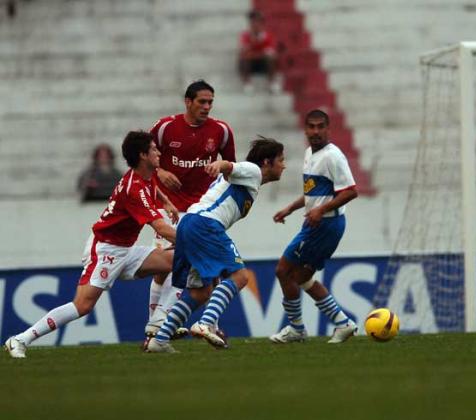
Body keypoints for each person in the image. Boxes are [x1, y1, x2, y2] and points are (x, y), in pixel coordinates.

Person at [4, 131, 179, 358]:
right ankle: (20, 339)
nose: (158, 152)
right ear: (142, 155)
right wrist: (194, 241)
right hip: (105, 249)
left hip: (126, 248)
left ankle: (156, 325)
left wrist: (167, 202)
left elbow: (153, 186)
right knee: (82, 306)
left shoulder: (146, 173)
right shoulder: (133, 188)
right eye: (154, 149)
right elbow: (161, 228)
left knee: (177, 260)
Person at [146, 137, 286, 353]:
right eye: (281, 160)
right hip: (205, 224)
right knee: (240, 277)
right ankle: (206, 323)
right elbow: (229, 167)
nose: (284, 166)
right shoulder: (253, 171)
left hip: (191, 223)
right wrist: (218, 164)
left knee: (200, 292)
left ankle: (160, 340)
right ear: (267, 162)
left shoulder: (249, 179)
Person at [144, 80, 236, 342]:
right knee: (164, 267)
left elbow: (232, 167)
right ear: (188, 102)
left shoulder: (221, 131)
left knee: (208, 267)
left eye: (210, 102)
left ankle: (208, 325)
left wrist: (220, 168)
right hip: (169, 208)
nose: (206, 107)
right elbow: (144, 160)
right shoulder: (164, 128)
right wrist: (161, 171)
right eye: (201, 102)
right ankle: (154, 325)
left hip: (203, 211)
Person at [269, 109, 359, 344]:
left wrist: (320, 210)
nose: (316, 131)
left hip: (326, 225)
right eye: (311, 126)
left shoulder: (333, 157)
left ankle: (297, 328)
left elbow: (351, 191)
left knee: (283, 271)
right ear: (305, 129)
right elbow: (314, 193)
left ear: (328, 129)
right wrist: (291, 208)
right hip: (316, 223)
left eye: (320, 127)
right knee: (301, 276)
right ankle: (343, 323)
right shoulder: (310, 153)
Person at [238, 10, 279, 94]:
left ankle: (272, 83)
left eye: (257, 22)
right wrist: (254, 44)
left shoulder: (268, 36)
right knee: (244, 59)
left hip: (263, 64)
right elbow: (244, 52)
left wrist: (255, 52)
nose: (255, 25)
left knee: (271, 59)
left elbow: (271, 52)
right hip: (250, 64)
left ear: (261, 24)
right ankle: (247, 84)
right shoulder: (245, 36)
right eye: (253, 22)